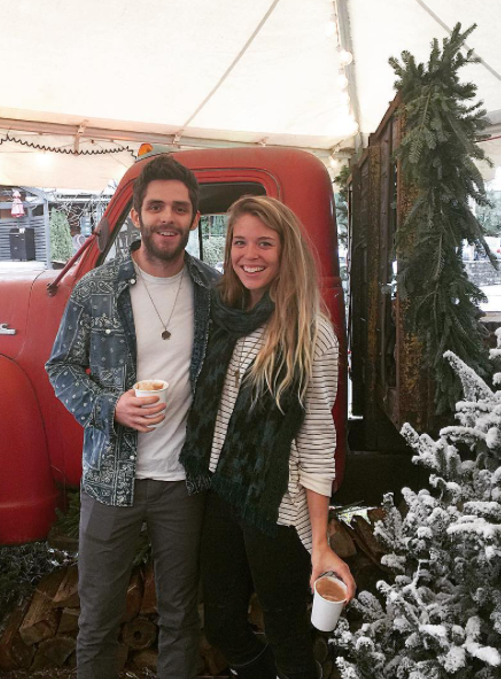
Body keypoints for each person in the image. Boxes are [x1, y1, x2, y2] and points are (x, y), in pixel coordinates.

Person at [46, 154, 218, 679]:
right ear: (138, 215)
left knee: (181, 619)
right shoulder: (98, 288)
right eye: (157, 206)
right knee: (97, 619)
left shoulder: (213, 291)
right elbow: (61, 367)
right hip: (109, 482)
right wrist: (109, 407)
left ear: (194, 218)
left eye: (180, 208)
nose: (168, 217)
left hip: (183, 483)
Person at [180, 195, 356, 679]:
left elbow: (320, 439)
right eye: (240, 242)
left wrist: (320, 542)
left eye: (264, 243)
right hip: (222, 493)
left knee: (288, 639)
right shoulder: (224, 316)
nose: (249, 254)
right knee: (221, 626)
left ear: (286, 251)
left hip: (275, 507)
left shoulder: (310, 333)